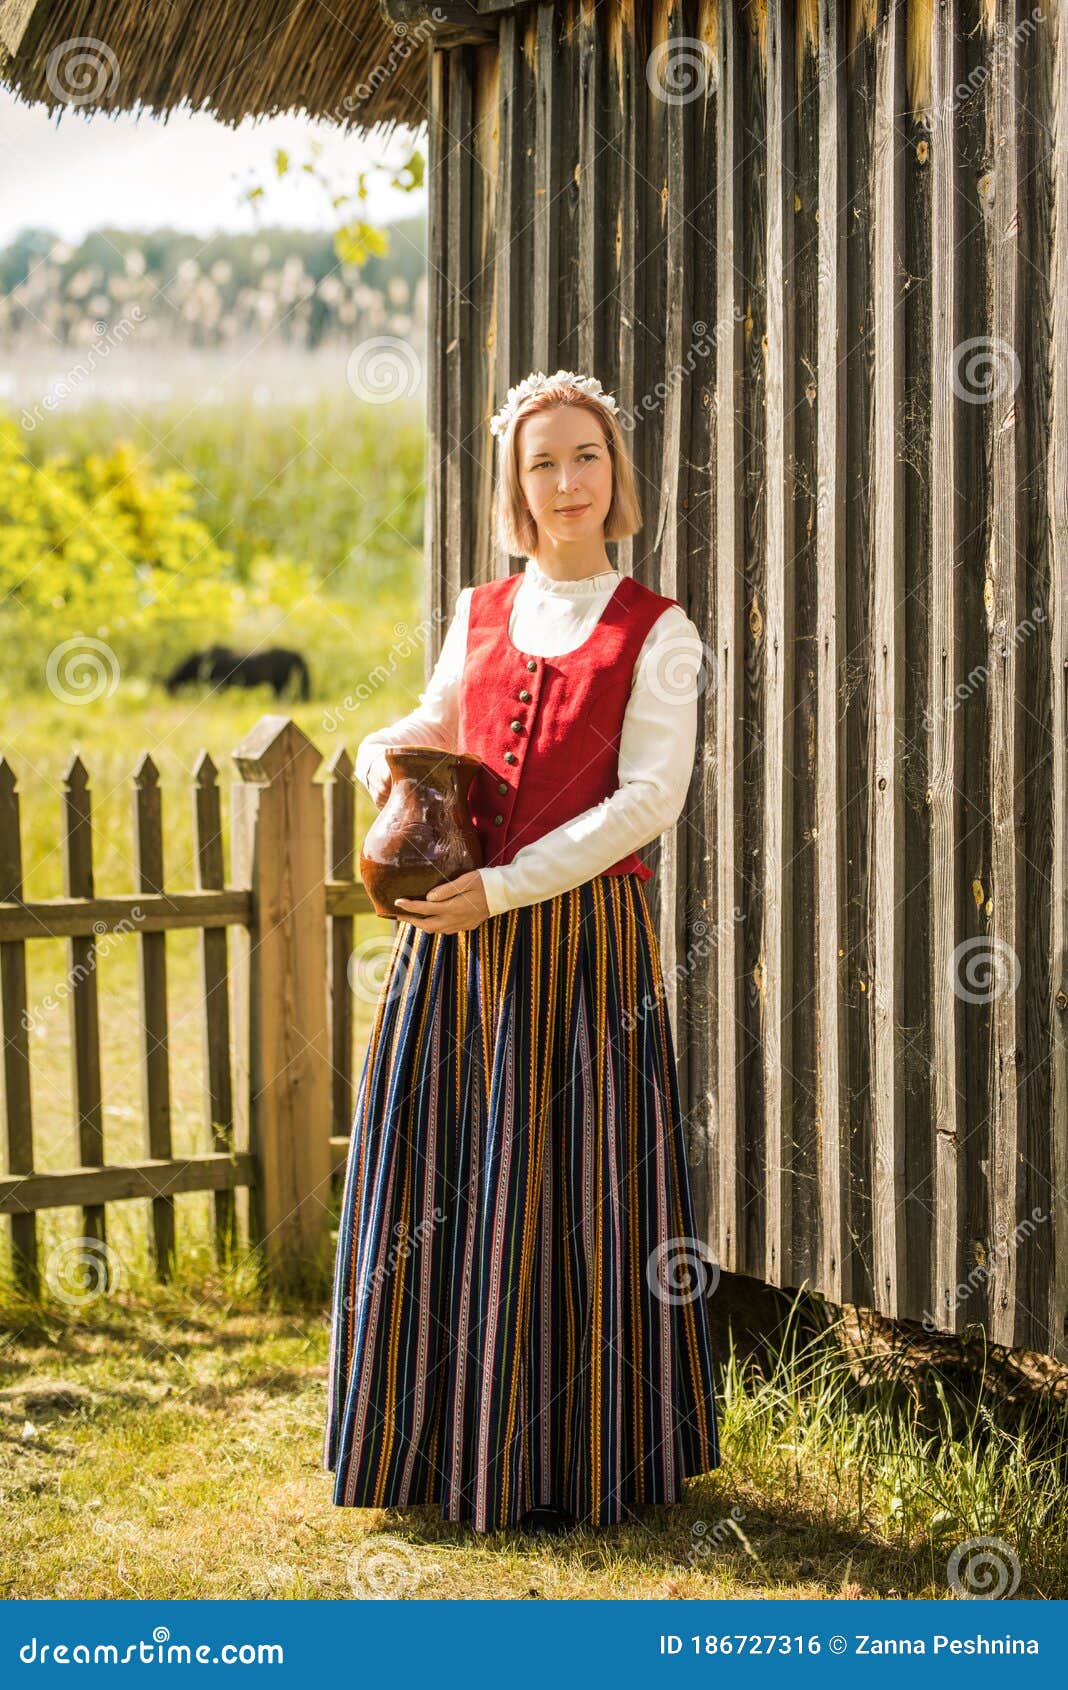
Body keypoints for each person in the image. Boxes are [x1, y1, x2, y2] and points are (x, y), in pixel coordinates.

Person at [323, 369, 720, 1536]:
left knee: (568, 1181)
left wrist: (500, 886)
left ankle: (572, 1451)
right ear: (514, 484)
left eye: (585, 457)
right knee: (446, 1175)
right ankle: (436, 1438)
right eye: (541, 462)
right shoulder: (480, 609)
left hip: (576, 944)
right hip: (455, 944)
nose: (565, 483)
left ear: (616, 474)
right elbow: (436, 719)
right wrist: (378, 750)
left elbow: (649, 799)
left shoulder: (663, 631)